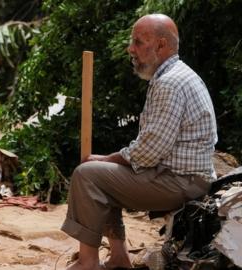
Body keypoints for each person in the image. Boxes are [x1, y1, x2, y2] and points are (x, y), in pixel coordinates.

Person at [61, 14, 218, 270]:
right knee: (103, 175)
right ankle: (120, 258)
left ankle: (88, 263)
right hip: (184, 177)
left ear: (161, 45)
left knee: (87, 175)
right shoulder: (177, 74)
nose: (130, 49)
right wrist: (110, 163)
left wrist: (106, 158)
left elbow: (149, 152)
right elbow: (149, 150)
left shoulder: (169, 83)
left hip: (181, 181)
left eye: (138, 42)